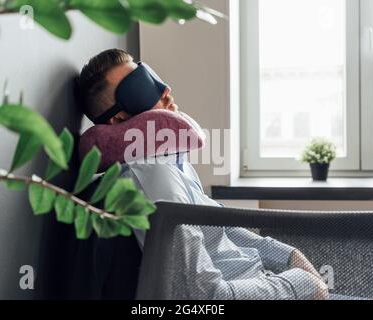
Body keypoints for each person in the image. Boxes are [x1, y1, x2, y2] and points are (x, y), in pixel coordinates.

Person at [78, 49, 329, 300]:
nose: (164, 89)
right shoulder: (152, 179)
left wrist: (287, 255)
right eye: (141, 87)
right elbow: (205, 297)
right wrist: (301, 284)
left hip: (262, 283)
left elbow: (220, 227)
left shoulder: (171, 164)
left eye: (151, 76)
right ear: (119, 118)